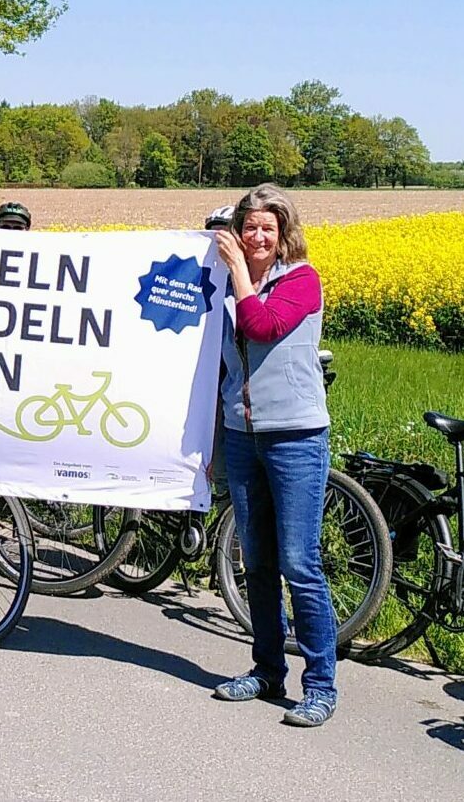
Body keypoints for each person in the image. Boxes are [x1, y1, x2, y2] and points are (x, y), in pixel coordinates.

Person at [213, 183, 336, 728]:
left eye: (268, 228)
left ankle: (321, 686)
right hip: (242, 435)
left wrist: (238, 271)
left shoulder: (302, 281)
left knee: (299, 563)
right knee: (257, 562)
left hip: (295, 436)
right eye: (249, 227)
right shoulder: (226, 287)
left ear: (284, 234)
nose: (258, 236)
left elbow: (261, 327)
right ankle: (266, 671)